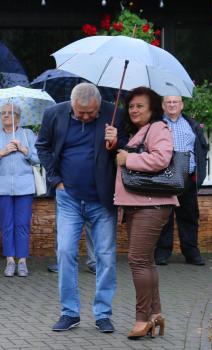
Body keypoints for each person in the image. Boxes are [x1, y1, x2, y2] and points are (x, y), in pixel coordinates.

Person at [36, 83, 125, 333]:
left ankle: (103, 314)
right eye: (81, 113)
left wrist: (116, 142)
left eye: (91, 113)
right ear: (72, 105)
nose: (86, 117)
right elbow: (42, 146)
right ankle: (69, 312)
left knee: (106, 257)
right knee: (65, 252)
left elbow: (127, 148)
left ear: (99, 106)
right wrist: (56, 181)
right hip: (69, 198)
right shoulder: (54, 114)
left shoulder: (113, 112)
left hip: (102, 199)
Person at [114, 87, 178, 339]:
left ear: (152, 108)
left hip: (151, 204)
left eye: (140, 106)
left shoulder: (158, 129)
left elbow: (162, 159)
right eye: (131, 106)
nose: (134, 110)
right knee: (146, 262)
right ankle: (155, 315)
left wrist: (128, 159)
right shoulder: (140, 132)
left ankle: (142, 319)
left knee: (137, 261)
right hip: (138, 205)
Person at [0, 103, 40, 277]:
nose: (6, 116)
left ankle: (22, 261)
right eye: (3, 113)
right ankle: (9, 260)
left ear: (18, 117)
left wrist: (23, 149)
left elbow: (38, 159)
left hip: (24, 186)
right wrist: (0, 153)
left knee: (22, 224)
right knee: (7, 224)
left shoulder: (28, 134)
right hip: (2, 187)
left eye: (10, 113)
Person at [154, 95, 209, 266]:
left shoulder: (191, 124)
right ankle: (162, 253)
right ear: (163, 105)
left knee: (189, 217)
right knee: (164, 217)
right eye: (168, 102)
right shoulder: (157, 125)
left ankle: (192, 253)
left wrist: (197, 168)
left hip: (188, 178)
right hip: (165, 178)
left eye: (175, 102)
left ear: (181, 105)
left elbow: (203, 146)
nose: (172, 105)